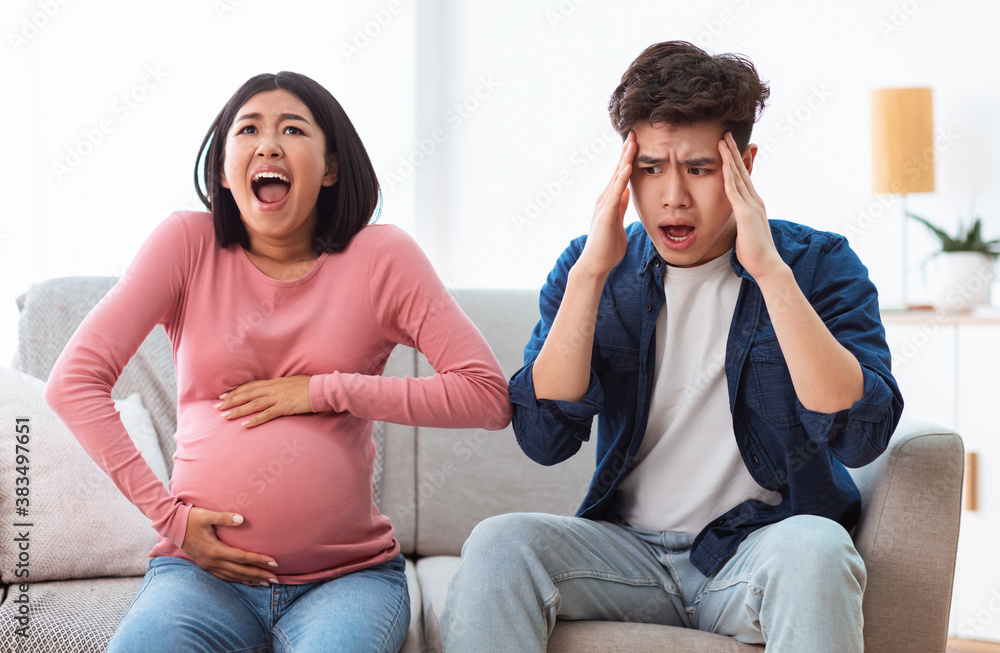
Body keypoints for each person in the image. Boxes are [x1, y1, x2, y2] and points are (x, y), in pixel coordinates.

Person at [440, 41, 903, 652]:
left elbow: (858, 435)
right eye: (650, 167)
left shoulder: (819, 265)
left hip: (757, 549)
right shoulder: (592, 271)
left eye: (700, 169)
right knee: (499, 543)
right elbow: (544, 438)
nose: (672, 196)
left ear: (745, 164)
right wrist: (589, 275)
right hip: (624, 554)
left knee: (817, 546)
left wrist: (768, 271)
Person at [45, 71, 512, 653]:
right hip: (201, 578)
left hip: (348, 581)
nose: (268, 144)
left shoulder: (381, 258)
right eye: (248, 130)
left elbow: (487, 397)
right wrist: (170, 519)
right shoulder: (186, 246)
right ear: (223, 168)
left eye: (292, 129)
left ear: (331, 167)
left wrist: (325, 389)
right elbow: (73, 383)